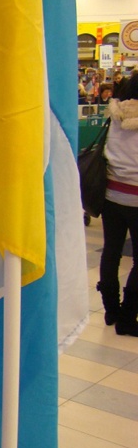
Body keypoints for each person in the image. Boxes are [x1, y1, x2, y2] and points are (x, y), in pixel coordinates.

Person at [97, 70, 138, 337]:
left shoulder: (115, 115)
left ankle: (111, 310)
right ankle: (126, 317)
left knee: (111, 251)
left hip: (111, 195)